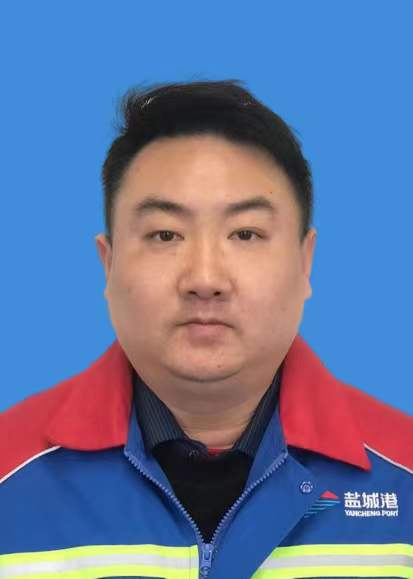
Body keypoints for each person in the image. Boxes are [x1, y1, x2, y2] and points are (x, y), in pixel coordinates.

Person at [1, 80, 412, 579]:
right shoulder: (8, 468)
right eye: (165, 234)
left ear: (305, 262)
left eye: (245, 234)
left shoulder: (404, 471)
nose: (204, 278)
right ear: (108, 264)